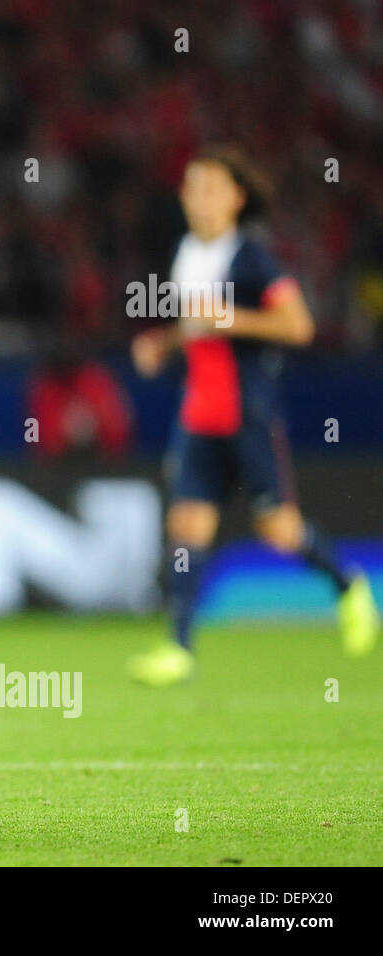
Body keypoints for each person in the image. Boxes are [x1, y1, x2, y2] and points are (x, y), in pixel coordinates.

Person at [129, 144, 378, 686]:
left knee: (278, 529)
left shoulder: (252, 259)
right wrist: (164, 343)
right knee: (187, 525)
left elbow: (299, 326)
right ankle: (179, 647)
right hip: (198, 411)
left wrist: (235, 319)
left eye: (214, 188)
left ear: (237, 199)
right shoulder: (185, 254)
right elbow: (199, 323)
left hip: (247, 410)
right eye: (193, 187)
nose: (202, 198)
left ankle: (348, 586)